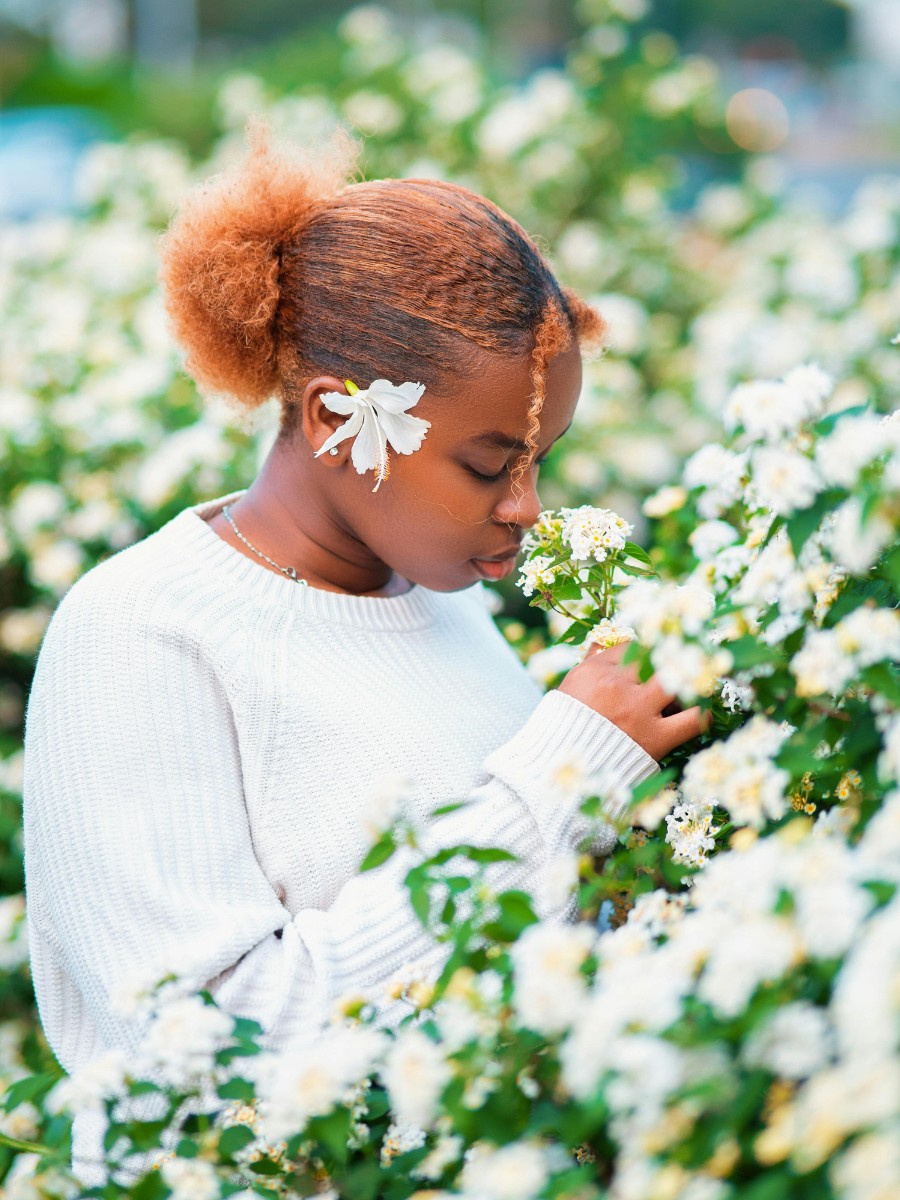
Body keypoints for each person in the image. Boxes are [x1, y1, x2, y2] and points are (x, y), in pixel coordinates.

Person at [22, 124, 704, 1186]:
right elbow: (211, 1048)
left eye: (540, 460)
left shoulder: (437, 600)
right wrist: (566, 776)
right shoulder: (142, 635)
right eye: (487, 465)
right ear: (340, 420)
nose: (528, 508)